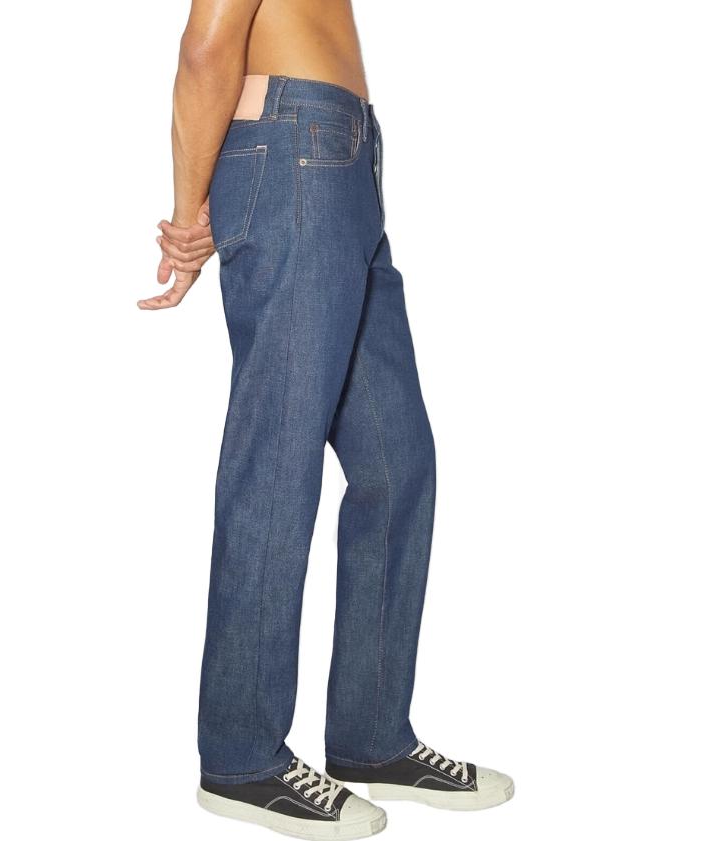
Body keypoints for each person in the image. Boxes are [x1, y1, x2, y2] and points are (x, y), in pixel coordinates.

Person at [138, 1, 513, 836]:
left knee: (395, 466)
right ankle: (240, 757)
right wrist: (189, 215)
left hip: (342, 159)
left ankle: (372, 737)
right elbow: (206, 46)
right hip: (291, 152)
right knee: (277, 461)